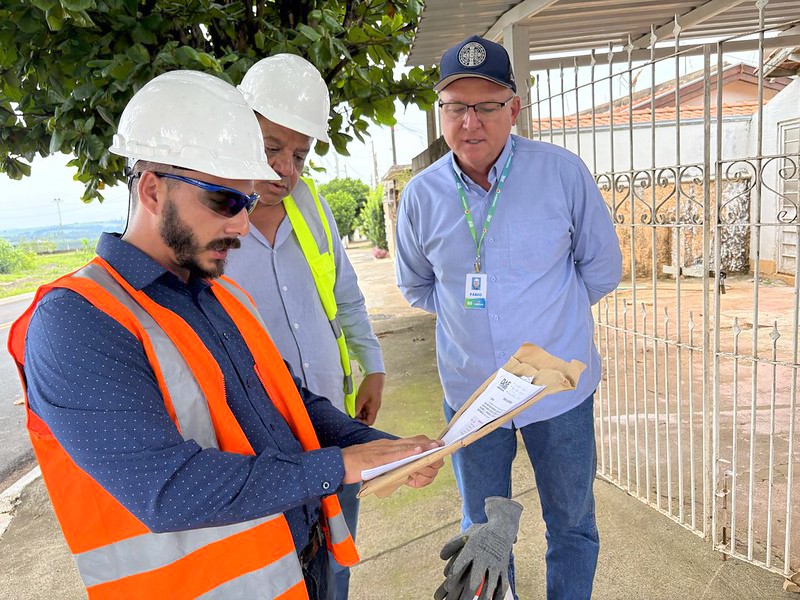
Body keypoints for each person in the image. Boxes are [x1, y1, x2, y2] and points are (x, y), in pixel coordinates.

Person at [8, 70, 443, 600]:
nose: (241, 225)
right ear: (151, 190)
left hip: (299, 567)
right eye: (223, 202)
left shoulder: (222, 297)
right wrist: (340, 464)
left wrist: (375, 445)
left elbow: (290, 404)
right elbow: (166, 488)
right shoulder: (77, 321)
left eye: (246, 201)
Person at [394, 35, 623, 599]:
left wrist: (552, 322)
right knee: (481, 533)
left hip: (556, 393)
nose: (470, 122)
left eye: (487, 106)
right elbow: (418, 287)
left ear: (513, 109)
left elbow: (601, 269)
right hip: (471, 395)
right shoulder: (420, 196)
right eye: (455, 106)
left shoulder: (562, 174)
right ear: (439, 111)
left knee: (570, 522)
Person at [227, 54, 384, 600]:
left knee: (337, 562)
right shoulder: (209, 225)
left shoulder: (312, 206)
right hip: (258, 444)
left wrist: (373, 367)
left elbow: (345, 297)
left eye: (299, 154)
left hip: (330, 420)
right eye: (271, 148)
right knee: (280, 574)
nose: (285, 169)